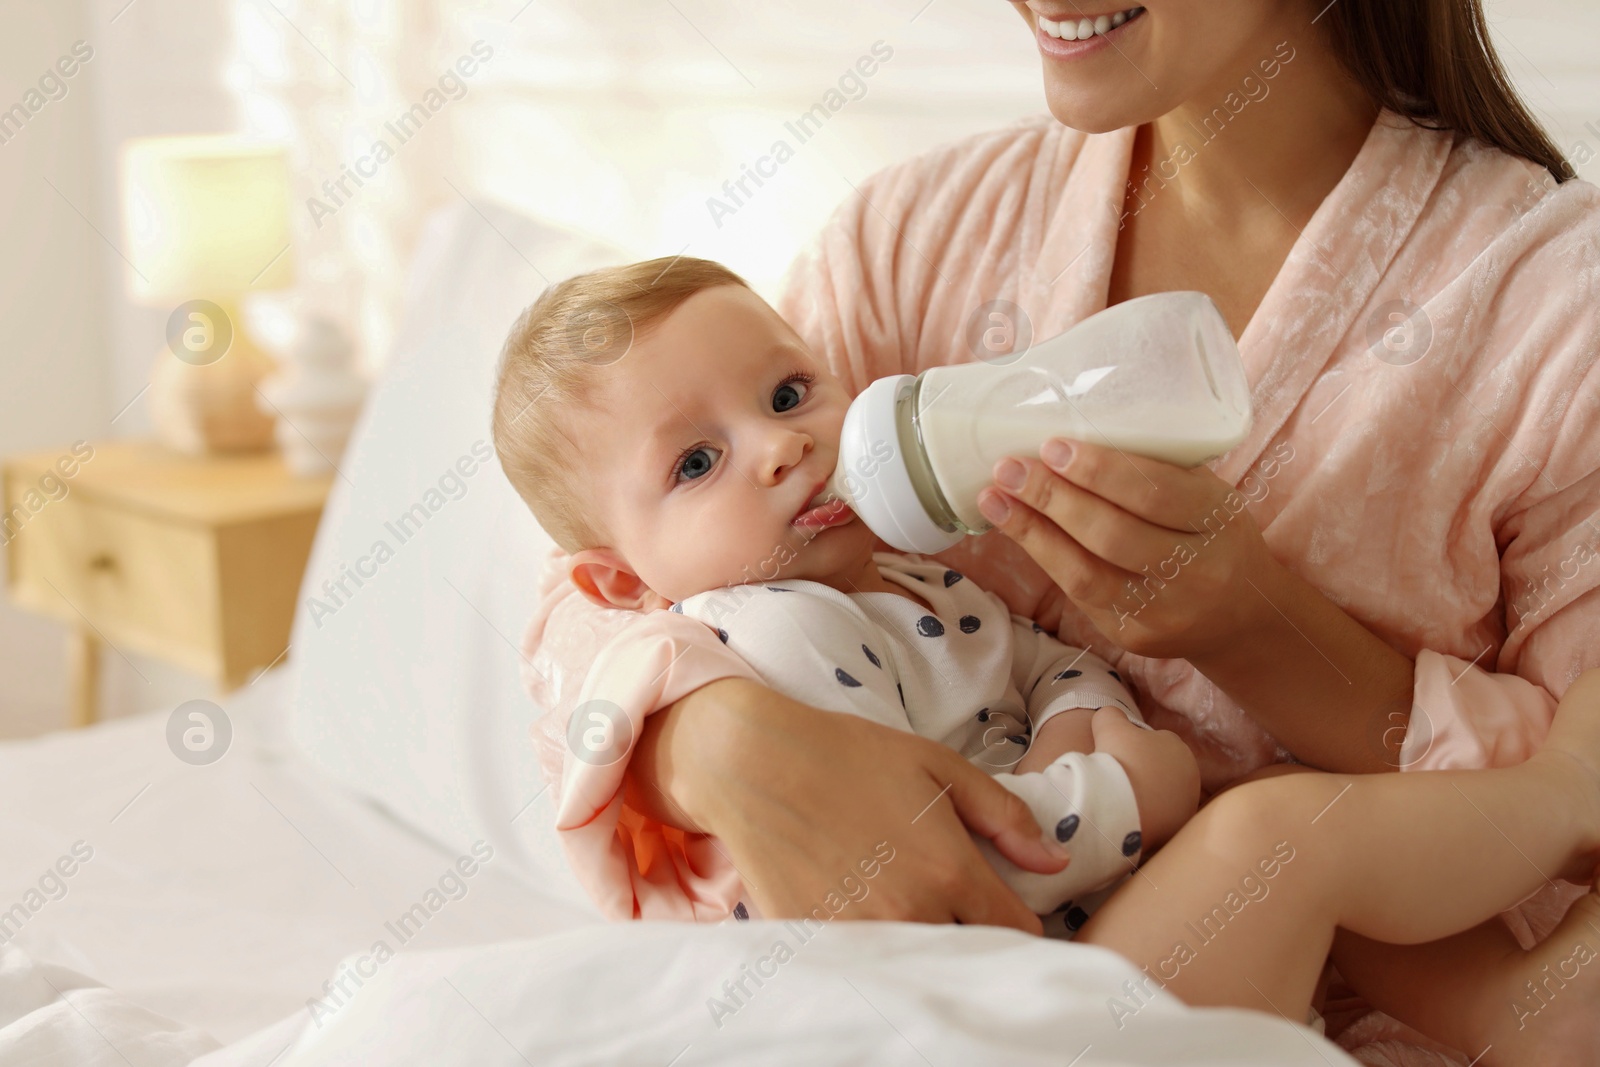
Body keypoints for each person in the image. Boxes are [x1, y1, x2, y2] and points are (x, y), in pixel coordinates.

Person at [515, 0, 1600, 1060]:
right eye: (704, 457)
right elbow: (596, 600)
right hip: (948, 1003)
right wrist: (720, 740)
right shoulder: (915, 242)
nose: (783, 447)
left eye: (793, 400)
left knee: (1278, 827)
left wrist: (1263, 632)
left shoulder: (1554, 313)